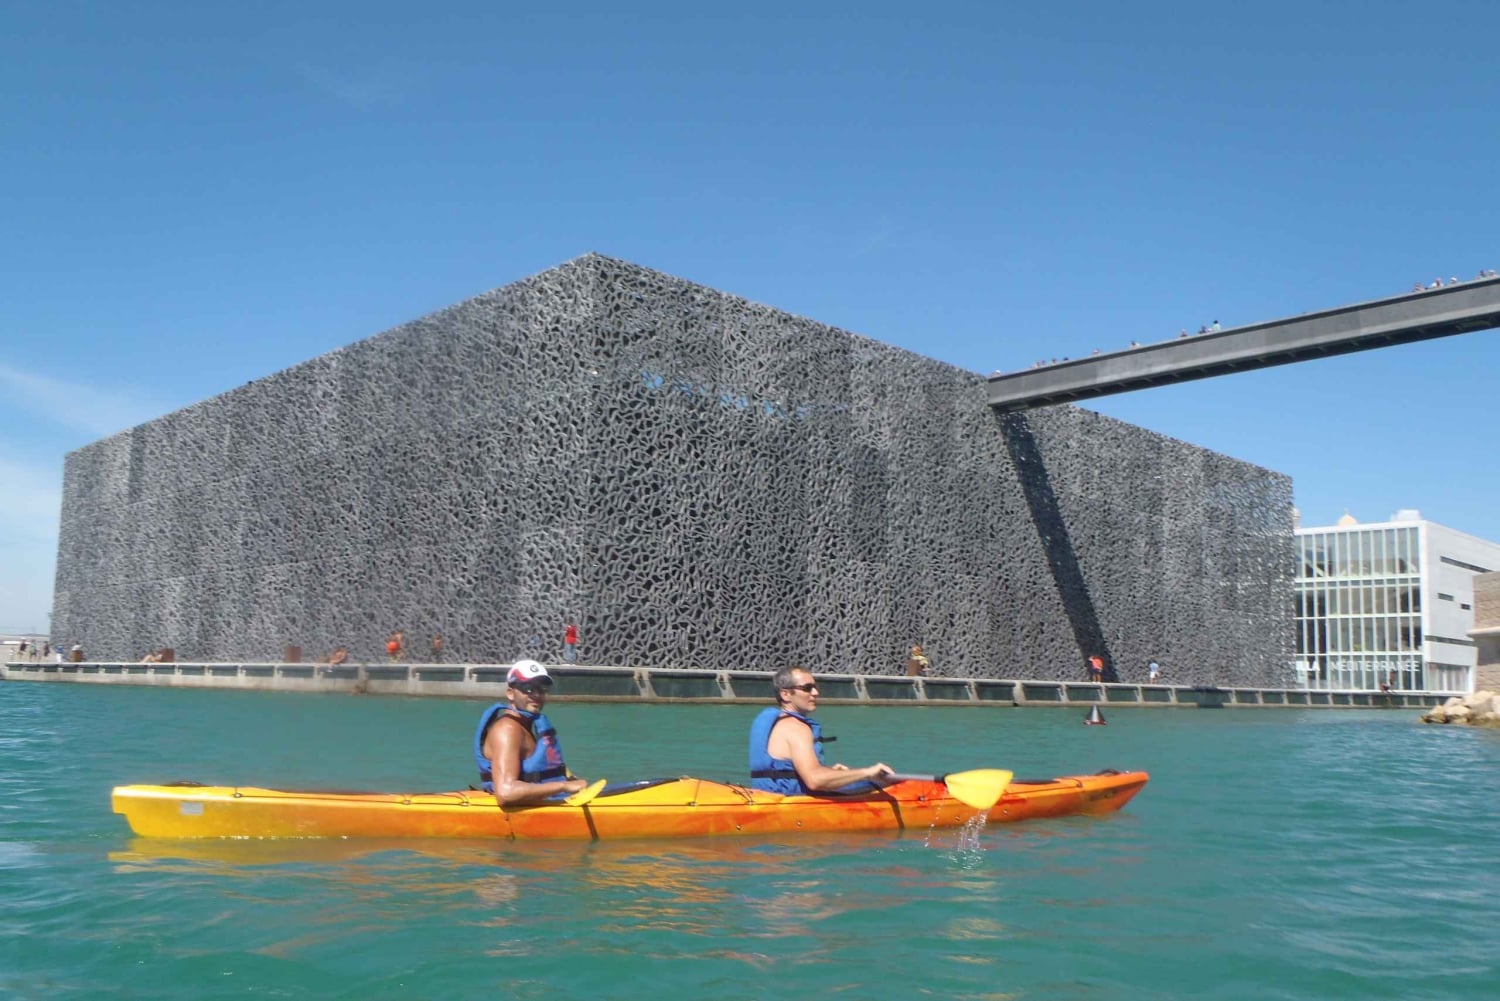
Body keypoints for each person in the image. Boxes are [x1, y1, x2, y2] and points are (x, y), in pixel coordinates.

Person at [748, 666, 892, 795]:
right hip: (790, 802)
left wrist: (833, 774)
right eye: (807, 688)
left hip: (766, 795)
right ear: (785, 694)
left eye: (815, 687)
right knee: (883, 784)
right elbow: (814, 780)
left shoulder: (776, 722)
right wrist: (867, 773)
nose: (815, 692)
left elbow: (799, 772)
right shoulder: (796, 728)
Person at [474, 659, 588, 806]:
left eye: (542, 689)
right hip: (516, 814)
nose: (536, 695)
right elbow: (505, 793)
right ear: (510, 693)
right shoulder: (508, 730)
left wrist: (569, 780)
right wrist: (563, 786)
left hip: (549, 801)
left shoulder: (526, 725)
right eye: (528, 688)